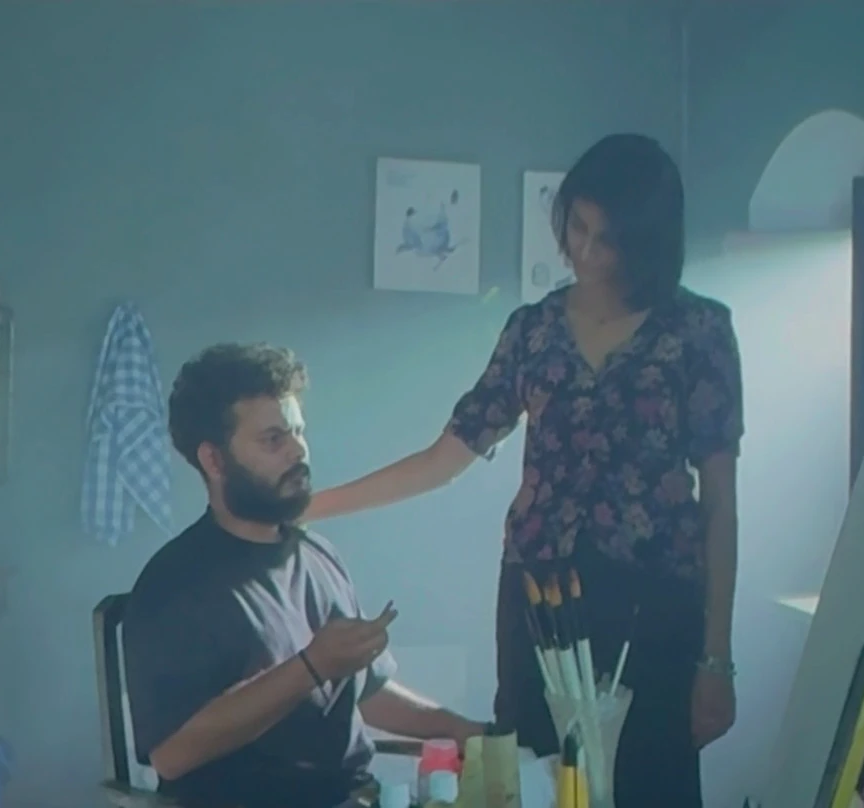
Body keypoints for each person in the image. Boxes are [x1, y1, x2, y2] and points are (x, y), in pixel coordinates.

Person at [306, 133, 743, 807]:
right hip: (542, 599)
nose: (585, 252)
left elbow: (720, 505)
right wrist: (313, 507)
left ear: (649, 242)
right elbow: (443, 459)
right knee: (536, 778)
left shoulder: (700, 331)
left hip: (655, 604)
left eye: (608, 239)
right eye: (577, 227)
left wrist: (716, 659)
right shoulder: (531, 330)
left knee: (651, 781)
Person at [122, 343, 484, 808]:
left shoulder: (316, 554)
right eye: (273, 439)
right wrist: (311, 666)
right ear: (214, 460)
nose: (298, 450)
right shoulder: (174, 585)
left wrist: (459, 729)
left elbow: (365, 692)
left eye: (297, 431)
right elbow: (172, 756)